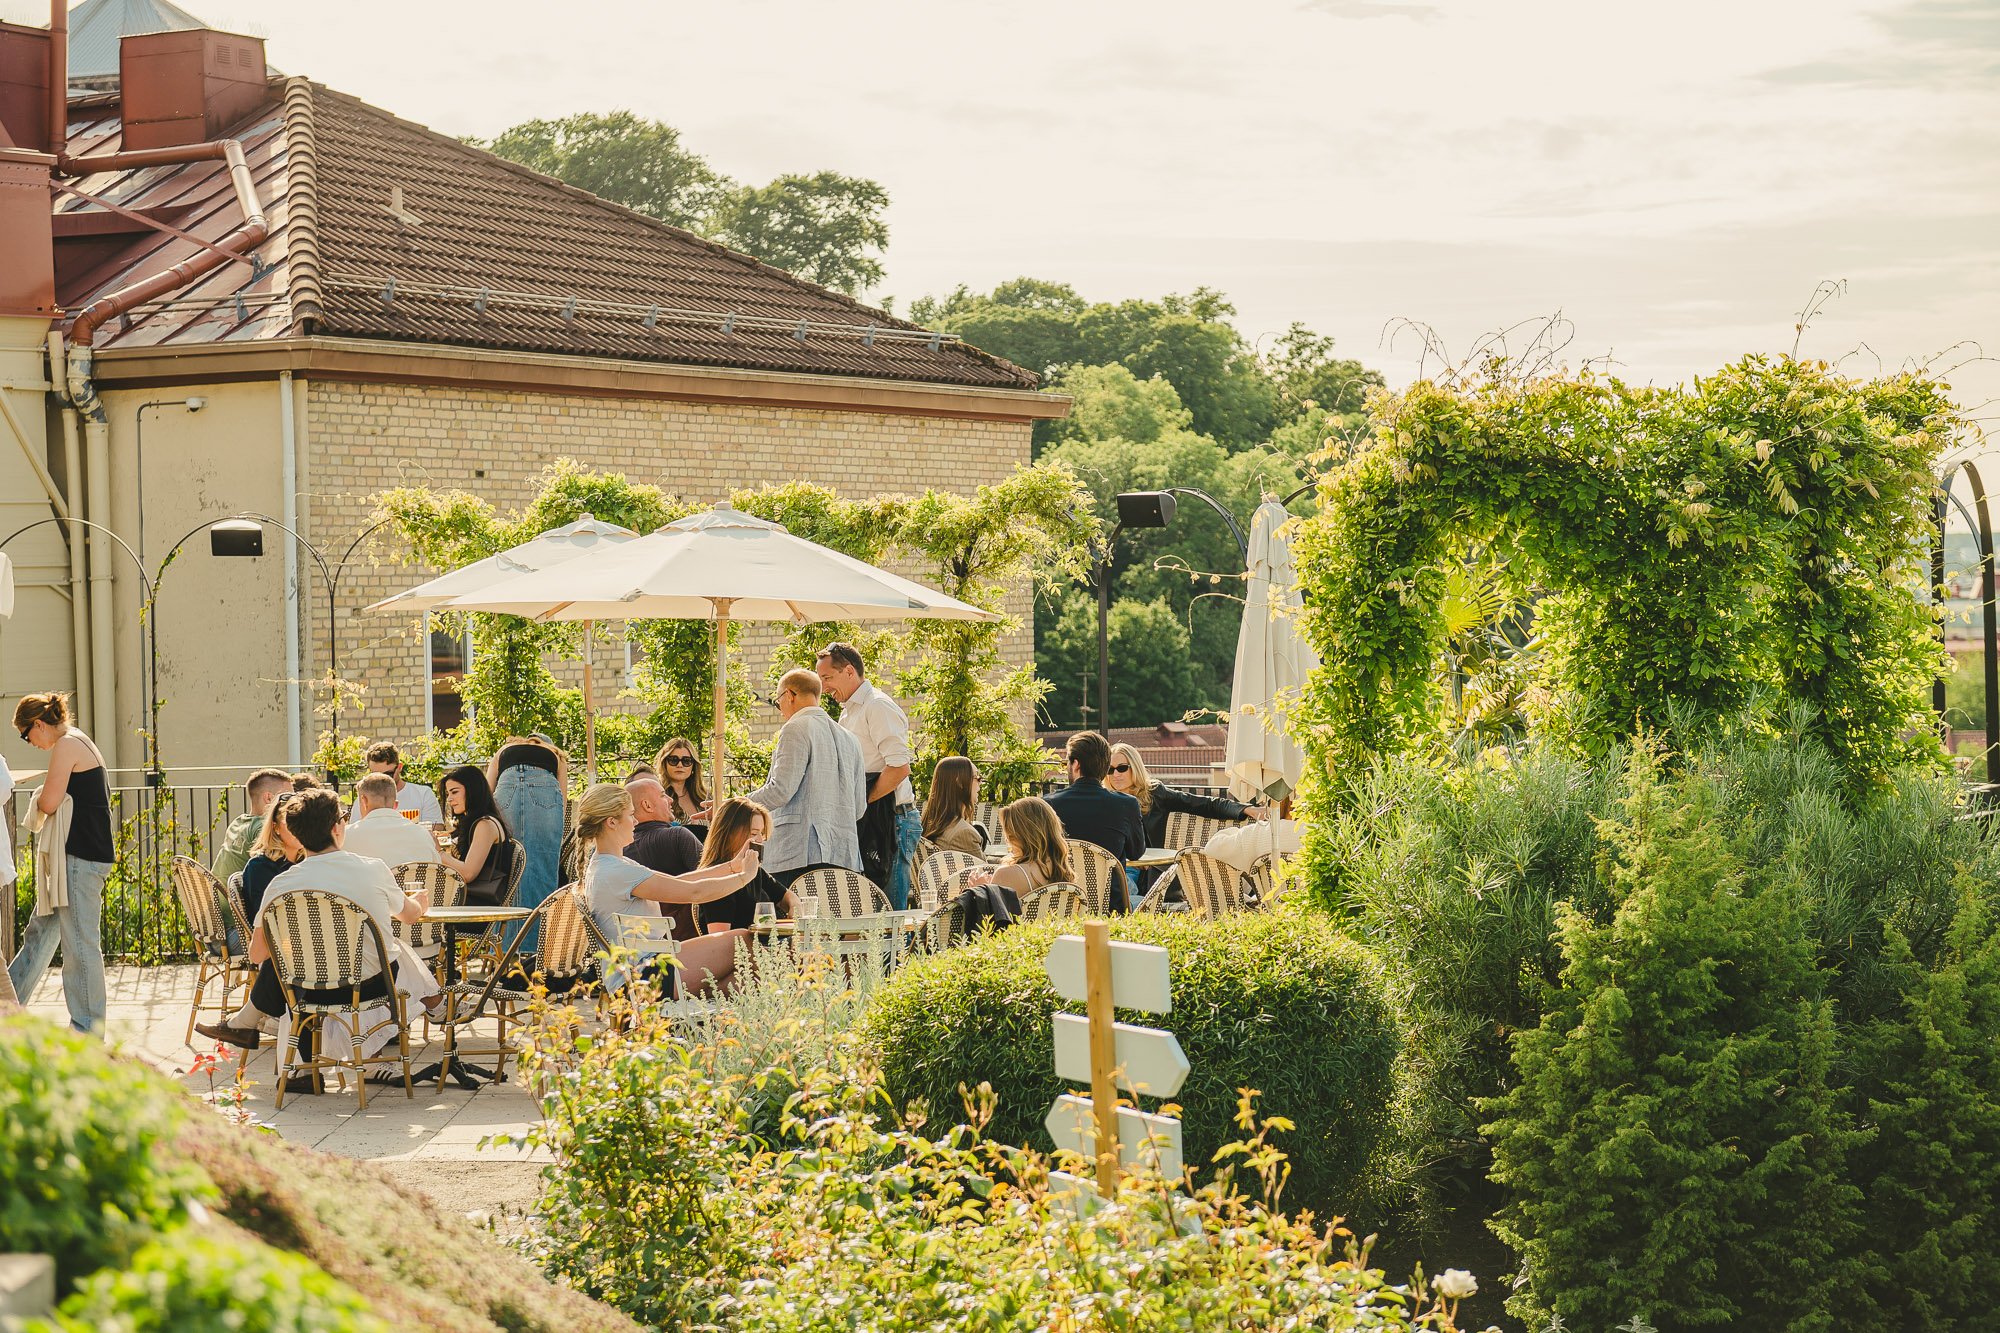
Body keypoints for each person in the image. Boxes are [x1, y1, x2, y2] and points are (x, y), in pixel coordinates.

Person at [197, 789, 439, 1083]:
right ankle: (430, 1009)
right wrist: (421, 902)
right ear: (337, 827)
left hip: (306, 988)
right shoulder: (372, 869)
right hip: (369, 984)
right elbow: (410, 916)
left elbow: (258, 955)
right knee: (393, 949)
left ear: (298, 835)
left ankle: (296, 1065)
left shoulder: (280, 885)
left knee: (291, 962)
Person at [574, 783, 758, 993]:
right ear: (612, 822)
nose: (635, 822)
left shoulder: (609, 865)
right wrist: (745, 877)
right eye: (631, 815)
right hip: (643, 976)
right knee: (743, 939)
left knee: (742, 979)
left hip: (641, 971)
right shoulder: (616, 871)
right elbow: (694, 893)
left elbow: (681, 881)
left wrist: (732, 867)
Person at [8, 693, 113, 1033]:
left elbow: (50, 801)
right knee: (40, 934)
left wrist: (39, 795)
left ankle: (86, 1029)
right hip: (77, 856)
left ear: (38, 724)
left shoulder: (66, 744)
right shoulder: (79, 739)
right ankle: (6, 1006)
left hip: (81, 858)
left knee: (80, 945)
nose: (30, 743)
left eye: (27, 735)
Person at [817, 642, 921, 910]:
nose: (824, 687)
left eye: (827, 678)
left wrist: (861, 803)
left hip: (893, 820)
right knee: (872, 906)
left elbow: (899, 767)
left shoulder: (876, 706)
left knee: (889, 909)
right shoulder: (849, 710)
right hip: (874, 819)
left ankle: (895, 954)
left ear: (849, 671)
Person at [743, 668, 867, 887]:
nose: (780, 708)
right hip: (844, 852)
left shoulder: (795, 728)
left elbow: (780, 790)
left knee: (791, 920)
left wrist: (737, 806)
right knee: (833, 920)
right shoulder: (851, 739)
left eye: (778, 700)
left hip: (797, 853)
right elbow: (859, 807)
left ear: (789, 695)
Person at [1106, 743, 1267, 849]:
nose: (1115, 774)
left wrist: (1246, 809)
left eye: (1122, 768)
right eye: (1110, 769)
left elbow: (1204, 804)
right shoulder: (1104, 799)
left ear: (1134, 767)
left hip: (1144, 873)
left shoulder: (1155, 794)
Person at [486, 735, 565, 952]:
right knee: (543, 867)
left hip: (507, 784)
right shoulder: (555, 755)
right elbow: (563, 800)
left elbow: (487, 789)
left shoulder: (506, 748)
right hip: (546, 788)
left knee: (506, 866)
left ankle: (503, 949)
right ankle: (535, 951)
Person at [1043, 730, 1146, 874]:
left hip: (1064, 894)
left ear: (1076, 764)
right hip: (1111, 895)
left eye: (1067, 761)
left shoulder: (1047, 805)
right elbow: (1136, 853)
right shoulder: (1127, 804)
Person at [624, 775, 706, 939]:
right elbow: (712, 878)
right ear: (647, 805)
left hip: (639, 941)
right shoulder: (677, 836)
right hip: (689, 938)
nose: (670, 799)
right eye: (663, 795)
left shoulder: (619, 851)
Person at [697, 798, 795, 930]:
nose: (760, 839)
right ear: (730, 832)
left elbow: (788, 897)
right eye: (754, 833)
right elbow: (719, 935)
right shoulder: (717, 878)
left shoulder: (753, 869)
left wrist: (795, 907)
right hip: (742, 949)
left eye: (762, 833)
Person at [438, 766, 515, 906]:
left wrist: (439, 852)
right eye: (448, 793)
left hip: (482, 905)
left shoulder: (485, 824)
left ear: (473, 790)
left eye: (454, 792)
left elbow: (468, 873)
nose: (449, 799)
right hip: (473, 902)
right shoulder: (476, 823)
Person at [966, 796, 1072, 897]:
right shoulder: (1062, 869)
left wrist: (982, 891)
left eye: (1008, 833)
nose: (1007, 839)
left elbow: (991, 914)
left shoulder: (1006, 874)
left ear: (1018, 835)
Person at [342, 772, 442, 868]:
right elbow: (437, 870)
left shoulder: (346, 836)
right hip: (415, 885)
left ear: (364, 801)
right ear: (395, 805)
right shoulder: (423, 834)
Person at [212, 768, 293, 883]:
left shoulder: (238, 823)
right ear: (269, 798)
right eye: (286, 797)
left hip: (217, 897)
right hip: (235, 900)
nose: (292, 802)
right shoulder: (264, 827)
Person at [920, 756, 987, 857]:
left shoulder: (929, 822)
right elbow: (983, 870)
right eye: (977, 778)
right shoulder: (964, 833)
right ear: (959, 782)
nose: (980, 782)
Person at [365, 742, 443, 825]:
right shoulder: (364, 798)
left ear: (399, 767)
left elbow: (436, 828)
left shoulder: (423, 794)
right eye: (376, 775)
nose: (382, 780)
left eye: (388, 774)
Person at [650, 738, 709, 826]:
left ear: (693, 766)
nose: (679, 765)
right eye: (673, 760)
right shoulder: (657, 796)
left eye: (686, 761)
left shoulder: (705, 796)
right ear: (664, 763)